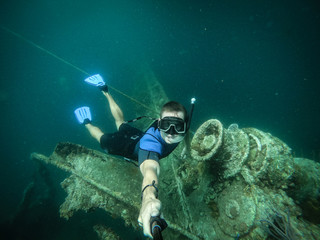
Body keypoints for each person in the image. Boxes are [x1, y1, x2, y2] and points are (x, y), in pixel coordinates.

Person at [74, 74, 191, 238]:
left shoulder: (182, 131)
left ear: (185, 125)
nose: (171, 134)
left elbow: (185, 135)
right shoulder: (151, 148)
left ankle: (104, 90)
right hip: (127, 146)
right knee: (101, 138)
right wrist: (149, 199)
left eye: (177, 127)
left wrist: (187, 147)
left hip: (138, 135)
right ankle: (87, 122)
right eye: (166, 126)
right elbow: (150, 170)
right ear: (159, 123)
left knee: (121, 123)